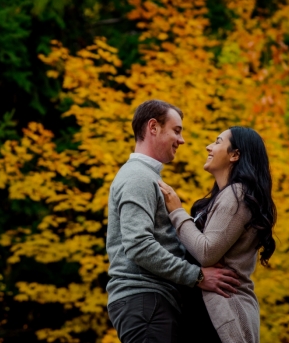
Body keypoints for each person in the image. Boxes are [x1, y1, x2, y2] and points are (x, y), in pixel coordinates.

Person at [106, 100, 242, 342]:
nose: (182, 140)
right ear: (153, 127)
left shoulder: (146, 176)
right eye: (176, 130)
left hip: (153, 301)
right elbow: (138, 245)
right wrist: (197, 275)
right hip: (145, 300)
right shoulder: (137, 177)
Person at [158, 126, 278, 343]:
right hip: (204, 312)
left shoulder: (238, 194)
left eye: (217, 141)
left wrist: (176, 211)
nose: (209, 146)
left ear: (235, 155)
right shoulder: (226, 196)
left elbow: (207, 252)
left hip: (222, 312)